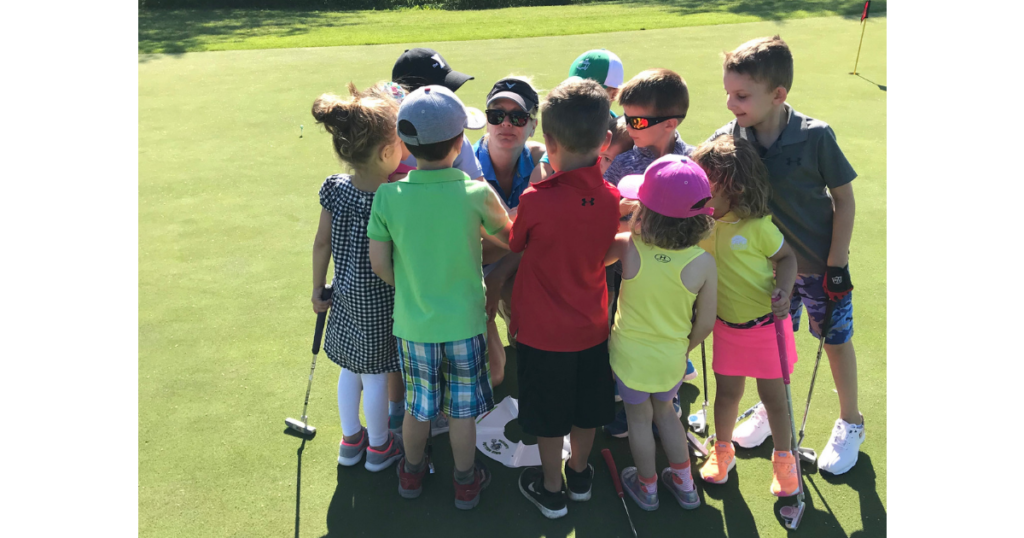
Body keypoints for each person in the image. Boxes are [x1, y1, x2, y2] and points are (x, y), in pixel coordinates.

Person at [708, 35, 862, 475]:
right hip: (765, 269)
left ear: (778, 95)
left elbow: (844, 200)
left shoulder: (816, 136)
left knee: (834, 340)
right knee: (776, 343)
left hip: (818, 266)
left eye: (741, 95)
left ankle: (850, 422)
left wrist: (836, 264)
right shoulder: (731, 136)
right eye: (727, 93)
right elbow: (697, 168)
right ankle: (768, 408)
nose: (730, 103)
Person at [367, 85, 512, 509]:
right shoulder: (475, 192)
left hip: (413, 325)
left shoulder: (388, 196)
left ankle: (411, 474)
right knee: (462, 411)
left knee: (418, 408)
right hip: (465, 323)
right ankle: (465, 481)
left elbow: (380, 263)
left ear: (405, 144)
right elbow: (509, 237)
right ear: (458, 142)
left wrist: (413, 288)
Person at [510, 78, 621, 519]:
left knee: (548, 414)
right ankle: (579, 475)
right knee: (586, 409)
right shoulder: (612, 198)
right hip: (591, 329)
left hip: (541, 334)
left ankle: (551, 487)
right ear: (606, 141)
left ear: (548, 143)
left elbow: (515, 242)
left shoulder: (536, 199)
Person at [604, 154, 717, 511]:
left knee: (639, 420)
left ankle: (648, 486)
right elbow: (706, 321)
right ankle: (685, 485)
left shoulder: (628, 244)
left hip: (627, 355)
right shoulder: (702, 262)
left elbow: (593, 261)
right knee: (666, 414)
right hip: (671, 358)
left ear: (644, 210)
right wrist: (684, 348)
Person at [690, 135, 801, 497]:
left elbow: (787, 259)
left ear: (733, 188)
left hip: (767, 328)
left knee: (775, 400)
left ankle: (784, 460)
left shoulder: (758, 228)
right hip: (725, 328)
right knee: (727, 395)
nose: (699, 197)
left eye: (706, 189)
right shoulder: (703, 225)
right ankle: (723, 451)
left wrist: (783, 292)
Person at [309, 82, 405, 473]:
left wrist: (317, 288)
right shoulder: (394, 197)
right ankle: (380, 447)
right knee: (377, 374)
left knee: (351, 369)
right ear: (387, 152)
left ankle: (351, 441)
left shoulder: (335, 188)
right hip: (382, 300)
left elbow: (321, 244)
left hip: (344, 295)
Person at [387, 48, 485, 432]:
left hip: (407, 285)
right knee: (456, 387)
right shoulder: (463, 165)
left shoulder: (389, 141)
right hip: (455, 291)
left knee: (408, 368)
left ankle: (401, 421)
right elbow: (492, 224)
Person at [603, 67, 697, 439]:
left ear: (669, 123)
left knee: (668, 332)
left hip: (674, 278)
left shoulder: (692, 164)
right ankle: (628, 399)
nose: (629, 126)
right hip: (628, 268)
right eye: (626, 117)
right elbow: (606, 216)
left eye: (637, 120)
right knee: (626, 329)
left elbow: (700, 222)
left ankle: (668, 396)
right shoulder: (625, 162)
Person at [473, 76, 545, 387]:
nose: (506, 124)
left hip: (511, 266)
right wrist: (524, 227)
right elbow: (472, 248)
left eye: (518, 117)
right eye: (496, 115)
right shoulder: (466, 163)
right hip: (467, 271)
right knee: (494, 375)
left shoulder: (542, 159)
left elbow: (540, 238)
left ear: (532, 125)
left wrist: (498, 275)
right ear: (486, 121)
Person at [530, 48, 624, 184]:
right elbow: (545, 165)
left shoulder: (622, 132)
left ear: (614, 94)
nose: (578, 95)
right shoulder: (568, 122)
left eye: (589, 90)